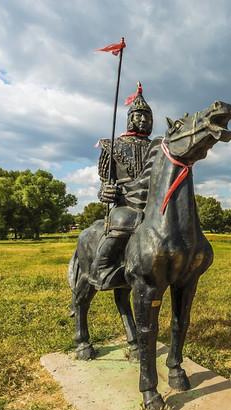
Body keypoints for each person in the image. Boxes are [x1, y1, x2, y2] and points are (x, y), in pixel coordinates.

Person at [89, 82, 153, 289]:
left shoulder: (158, 146)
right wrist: (106, 191)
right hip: (126, 202)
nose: (144, 119)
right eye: (139, 115)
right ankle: (102, 268)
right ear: (130, 119)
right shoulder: (113, 146)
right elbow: (105, 183)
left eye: (148, 116)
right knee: (123, 221)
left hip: (153, 201)